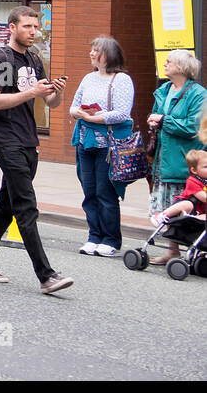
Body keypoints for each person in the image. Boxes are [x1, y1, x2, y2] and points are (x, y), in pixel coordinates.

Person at [0, 6, 74, 295]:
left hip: (29, 139)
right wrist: (32, 93)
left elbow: (49, 103)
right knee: (26, 206)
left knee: (6, 204)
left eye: (35, 27)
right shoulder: (0, 59)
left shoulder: (33, 59)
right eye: (27, 26)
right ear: (12, 28)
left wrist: (57, 91)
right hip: (7, 139)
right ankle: (46, 275)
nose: (33, 31)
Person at [68, 36, 133, 257]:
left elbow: (122, 113)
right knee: (89, 191)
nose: (91, 53)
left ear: (109, 55)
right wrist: (80, 113)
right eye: (92, 49)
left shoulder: (121, 80)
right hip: (85, 142)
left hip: (108, 145)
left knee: (105, 193)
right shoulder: (88, 78)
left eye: (96, 50)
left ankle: (111, 239)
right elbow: (73, 107)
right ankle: (94, 236)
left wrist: (93, 117)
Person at [146, 49, 206, 265]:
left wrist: (163, 120)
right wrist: (153, 120)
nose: (165, 64)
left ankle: (192, 250)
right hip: (164, 157)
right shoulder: (163, 90)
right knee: (164, 204)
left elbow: (193, 126)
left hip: (183, 160)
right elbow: (156, 114)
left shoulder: (198, 94)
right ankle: (172, 251)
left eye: (169, 61)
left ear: (181, 67)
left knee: (183, 204)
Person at [153, 148, 207, 222]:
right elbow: (204, 198)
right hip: (186, 205)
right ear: (194, 170)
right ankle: (162, 215)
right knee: (188, 204)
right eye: (205, 167)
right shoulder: (192, 181)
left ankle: (190, 219)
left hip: (198, 211)